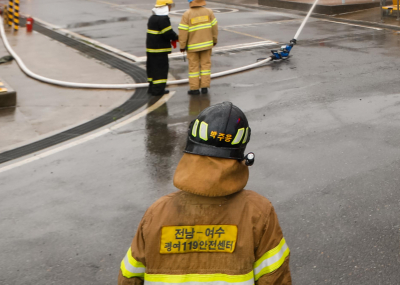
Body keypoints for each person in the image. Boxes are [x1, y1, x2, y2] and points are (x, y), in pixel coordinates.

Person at [117, 102, 291, 285]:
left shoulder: (157, 213)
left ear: (191, 146)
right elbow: (275, 279)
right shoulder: (259, 213)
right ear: (241, 154)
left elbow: (129, 277)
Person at [178, 0, 217, 96]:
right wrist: (214, 40)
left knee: (193, 68)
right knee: (205, 66)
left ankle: (194, 89)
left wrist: (182, 45)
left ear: (190, 1)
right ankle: (205, 87)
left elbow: (183, 32)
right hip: (207, 45)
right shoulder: (209, 12)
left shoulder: (187, 14)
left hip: (192, 47)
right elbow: (214, 28)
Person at [146, 0, 179, 96]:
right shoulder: (163, 19)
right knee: (160, 70)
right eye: (169, 6)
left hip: (151, 49)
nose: (170, 8)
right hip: (160, 50)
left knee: (152, 69)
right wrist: (175, 37)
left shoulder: (153, 18)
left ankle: (152, 88)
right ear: (165, 6)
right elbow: (167, 33)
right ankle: (158, 90)